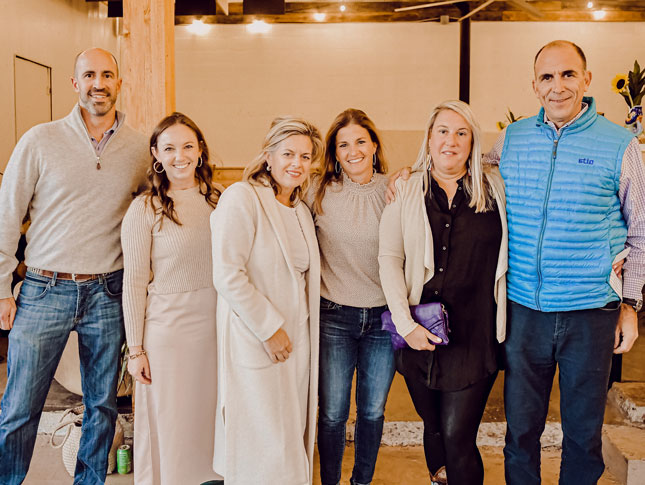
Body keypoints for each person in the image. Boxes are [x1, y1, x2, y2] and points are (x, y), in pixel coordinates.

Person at [486, 40, 644, 485]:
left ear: (587, 80)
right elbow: (464, 170)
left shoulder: (620, 144)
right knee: (520, 432)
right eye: (547, 77)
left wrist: (630, 302)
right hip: (523, 311)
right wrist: (408, 172)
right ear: (534, 86)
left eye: (568, 75)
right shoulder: (513, 138)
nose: (558, 87)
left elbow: (642, 229)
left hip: (590, 313)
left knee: (582, 434)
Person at [0, 48, 149, 484]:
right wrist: (2, 287)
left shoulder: (141, 149)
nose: (98, 83)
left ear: (119, 84)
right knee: (19, 406)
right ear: (74, 83)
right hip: (44, 288)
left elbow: (154, 211)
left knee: (102, 405)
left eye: (107, 75)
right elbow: (8, 217)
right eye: (88, 75)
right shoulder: (39, 139)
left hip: (108, 291)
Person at [379, 100, 508, 484]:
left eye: (461, 133)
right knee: (433, 428)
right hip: (421, 334)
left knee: (457, 435)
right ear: (429, 138)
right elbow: (388, 259)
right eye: (443, 131)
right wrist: (405, 326)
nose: (451, 141)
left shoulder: (497, 188)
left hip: (475, 336)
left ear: (473, 142)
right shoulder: (405, 189)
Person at [210, 117, 324, 485]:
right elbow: (227, 273)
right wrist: (269, 328)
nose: (297, 164)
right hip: (258, 340)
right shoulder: (242, 197)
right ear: (268, 156)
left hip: (297, 344)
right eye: (288, 153)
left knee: (288, 440)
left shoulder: (301, 211)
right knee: (262, 446)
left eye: (305, 157)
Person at [121, 112, 223, 485]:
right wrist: (136, 350)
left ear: (199, 152)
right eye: (169, 148)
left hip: (215, 326)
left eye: (187, 146)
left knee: (209, 417)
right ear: (156, 155)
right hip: (168, 332)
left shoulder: (220, 200)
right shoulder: (145, 209)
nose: (179, 156)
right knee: (171, 418)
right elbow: (133, 282)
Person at [309, 108, 395, 485]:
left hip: (383, 317)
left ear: (374, 146)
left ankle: (362, 481)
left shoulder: (396, 189)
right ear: (335, 151)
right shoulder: (317, 190)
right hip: (334, 316)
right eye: (343, 144)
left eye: (361, 141)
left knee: (373, 411)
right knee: (331, 413)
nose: (353, 150)